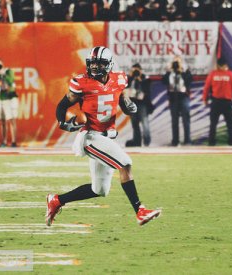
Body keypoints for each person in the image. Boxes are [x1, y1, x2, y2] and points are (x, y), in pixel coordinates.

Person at [46, 46, 161, 227]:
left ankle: (57, 200)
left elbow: (123, 100)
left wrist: (129, 106)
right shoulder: (81, 83)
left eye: (99, 64)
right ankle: (140, 211)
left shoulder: (120, 79)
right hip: (90, 137)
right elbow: (62, 105)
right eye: (92, 64)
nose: (94, 67)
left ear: (109, 65)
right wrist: (63, 123)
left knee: (99, 189)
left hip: (106, 138)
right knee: (125, 163)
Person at [202, 57, 232, 146]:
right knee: (230, 123)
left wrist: (205, 99)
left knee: (213, 123)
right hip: (227, 102)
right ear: (223, 65)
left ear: (217, 65)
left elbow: (206, 88)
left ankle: (211, 142)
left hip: (216, 102)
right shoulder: (230, 74)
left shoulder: (213, 74)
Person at [162, 56, 193, 146]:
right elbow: (163, 81)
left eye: (178, 62)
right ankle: (175, 141)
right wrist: (168, 71)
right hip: (173, 97)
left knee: (186, 119)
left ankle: (187, 140)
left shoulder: (184, 71)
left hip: (183, 96)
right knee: (174, 120)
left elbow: (189, 80)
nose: (176, 64)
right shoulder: (170, 73)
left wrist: (183, 71)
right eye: (174, 62)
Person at [125, 63, 153, 147]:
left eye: (137, 70)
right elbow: (125, 89)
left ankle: (147, 142)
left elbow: (147, 90)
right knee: (135, 124)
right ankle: (137, 142)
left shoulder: (145, 79)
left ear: (141, 70)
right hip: (132, 103)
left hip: (142, 104)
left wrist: (140, 78)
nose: (136, 72)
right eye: (134, 70)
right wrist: (131, 77)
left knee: (145, 123)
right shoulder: (129, 78)